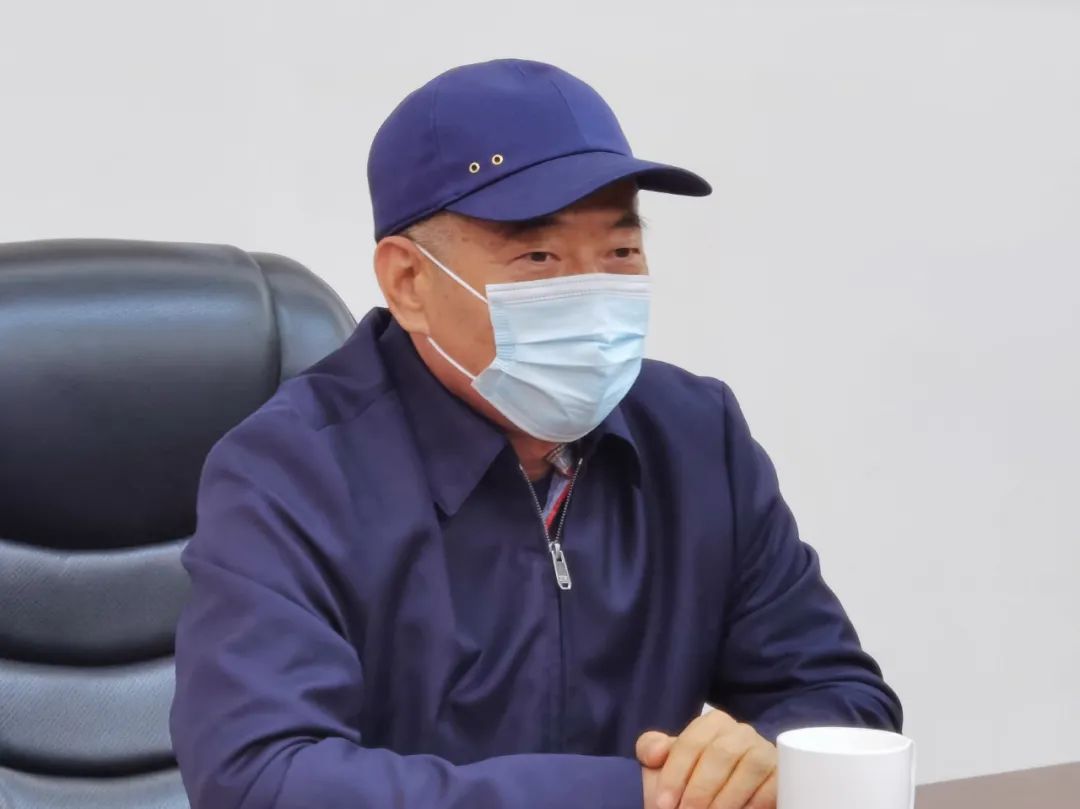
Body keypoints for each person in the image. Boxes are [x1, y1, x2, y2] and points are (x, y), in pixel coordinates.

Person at [170, 59, 901, 809]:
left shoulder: (695, 437)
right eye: (539, 257)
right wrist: (635, 795)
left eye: (620, 252)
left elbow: (842, 700)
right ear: (409, 282)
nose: (592, 291)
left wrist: (765, 759)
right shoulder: (291, 471)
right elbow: (261, 778)